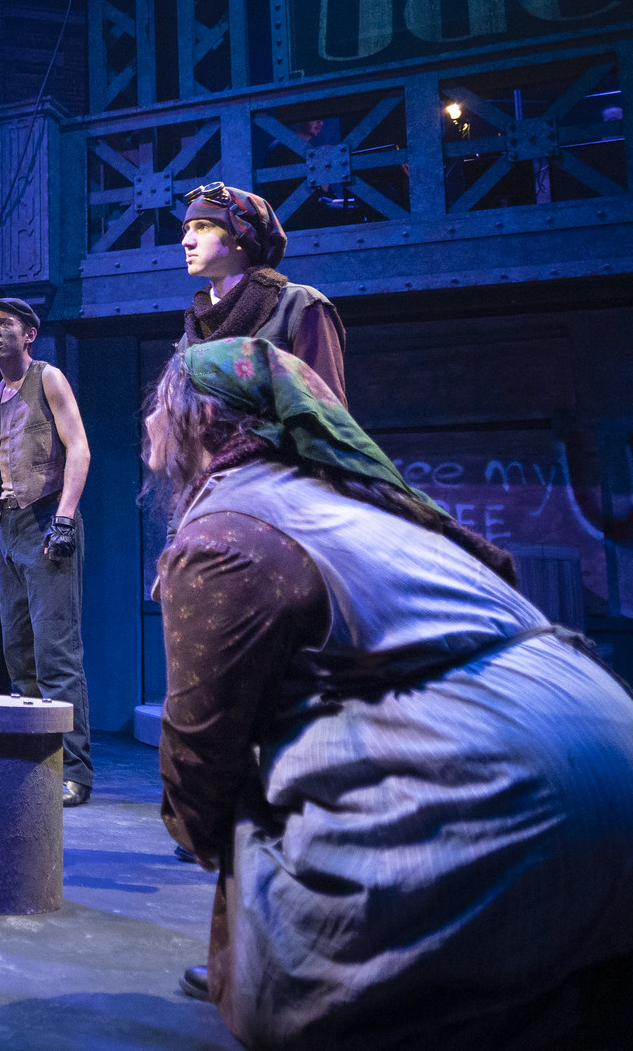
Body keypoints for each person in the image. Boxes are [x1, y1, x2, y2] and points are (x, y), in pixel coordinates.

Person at [145, 338, 633, 1049]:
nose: (148, 424)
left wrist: (200, 838)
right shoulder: (359, 500)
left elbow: (201, 742)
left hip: (521, 790)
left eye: (160, 406)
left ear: (204, 419)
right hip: (611, 753)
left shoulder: (230, 532)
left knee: (257, 798)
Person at [0, 296, 94, 805]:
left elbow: (79, 447)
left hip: (46, 520)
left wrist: (63, 518)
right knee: (18, 654)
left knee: (55, 653)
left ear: (29, 334)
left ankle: (75, 772)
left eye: (4, 324)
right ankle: (33, 763)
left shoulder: (48, 378)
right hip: (10, 526)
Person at [175, 181, 346, 404]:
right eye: (187, 230)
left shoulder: (297, 305)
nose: (186, 241)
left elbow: (327, 410)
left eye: (203, 227)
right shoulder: (192, 332)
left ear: (241, 235)